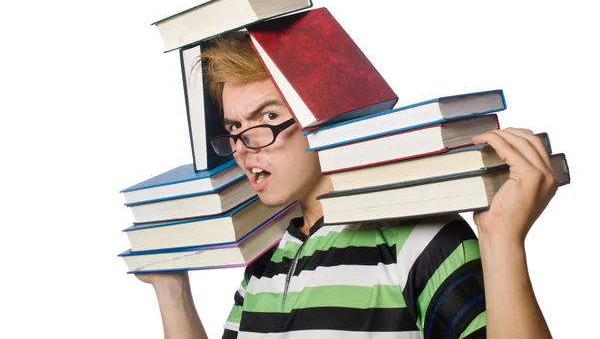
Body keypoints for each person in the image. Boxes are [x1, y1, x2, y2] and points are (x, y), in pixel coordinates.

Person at [136, 34, 558, 339]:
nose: (245, 147)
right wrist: (170, 289)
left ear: (323, 117)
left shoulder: (419, 239)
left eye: (266, 119)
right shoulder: (264, 267)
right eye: (234, 127)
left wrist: (502, 239)